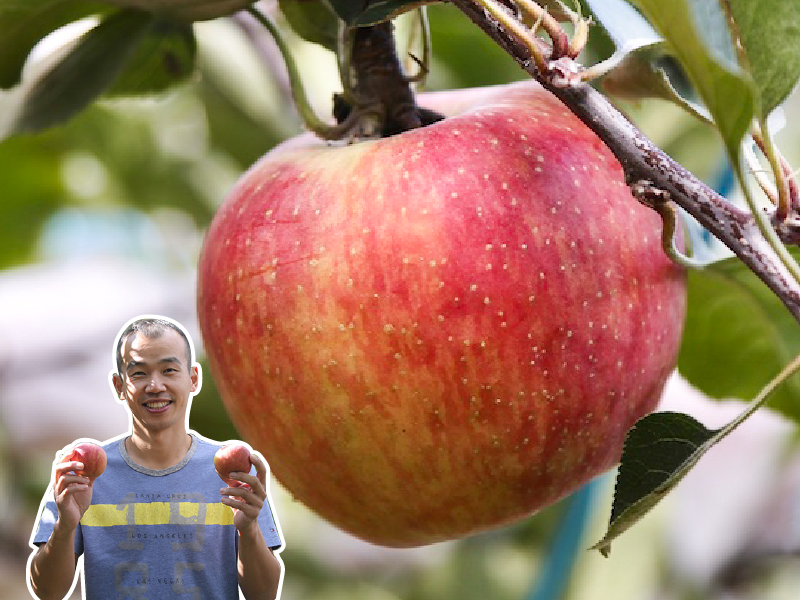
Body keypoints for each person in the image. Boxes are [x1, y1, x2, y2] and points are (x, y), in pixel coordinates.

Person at [27, 316, 284, 600]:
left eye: (169, 370)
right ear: (119, 386)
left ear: (193, 379)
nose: (155, 385)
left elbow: (264, 594)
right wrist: (65, 526)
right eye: (138, 373)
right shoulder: (81, 475)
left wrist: (248, 530)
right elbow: (48, 592)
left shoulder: (232, 474)